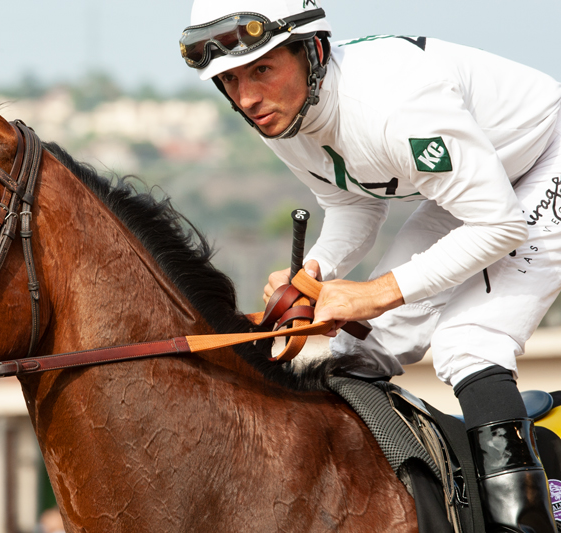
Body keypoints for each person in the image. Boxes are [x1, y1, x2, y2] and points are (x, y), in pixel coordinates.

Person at [179, 0, 561, 531]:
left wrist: (375, 292)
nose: (247, 98)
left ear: (312, 50)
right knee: (360, 348)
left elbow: (498, 226)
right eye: (231, 80)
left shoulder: (395, 105)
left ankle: (524, 525)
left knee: (468, 342)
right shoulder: (287, 116)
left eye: (263, 69)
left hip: (544, 163)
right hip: (469, 192)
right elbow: (353, 204)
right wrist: (310, 275)